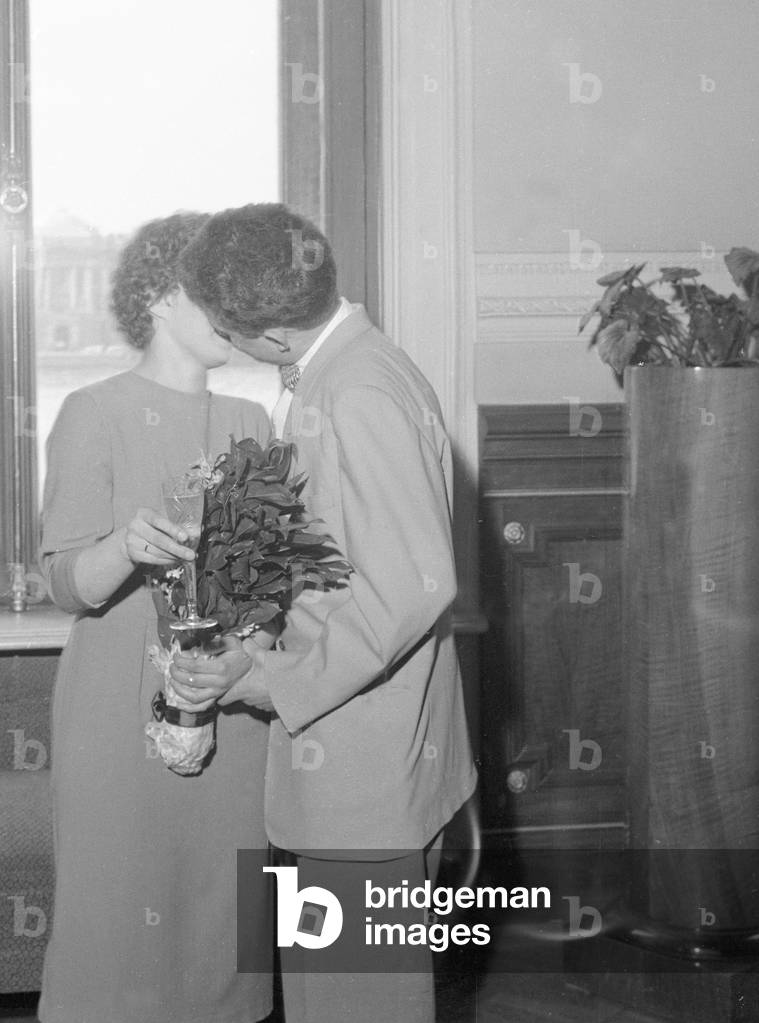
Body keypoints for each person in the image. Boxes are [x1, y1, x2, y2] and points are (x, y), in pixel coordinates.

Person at [171, 203, 478, 1023]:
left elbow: (414, 584)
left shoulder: (356, 390)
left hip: (363, 773)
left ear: (270, 335)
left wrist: (275, 679)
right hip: (353, 763)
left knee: (357, 1004)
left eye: (230, 334)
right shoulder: (344, 370)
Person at [38, 213, 273, 1023]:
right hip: (116, 708)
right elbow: (65, 581)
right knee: (117, 916)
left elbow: (268, 588)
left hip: (230, 705)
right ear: (163, 295)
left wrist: (246, 654)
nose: (241, 309)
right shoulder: (92, 411)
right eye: (220, 289)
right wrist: (125, 546)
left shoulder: (255, 423)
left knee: (220, 918)